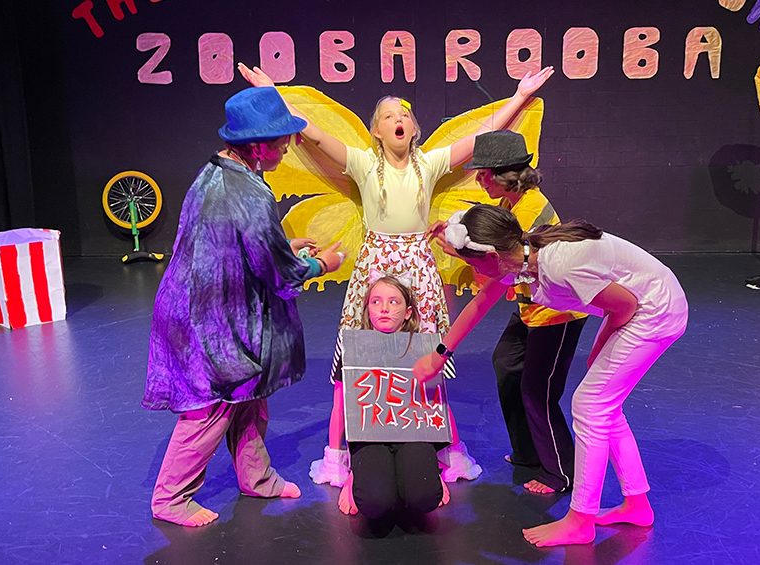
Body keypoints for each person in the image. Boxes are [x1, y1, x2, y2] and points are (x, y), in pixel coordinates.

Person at [238, 62, 555, 484]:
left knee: (425, 356)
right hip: (375, 266)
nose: (398, 119)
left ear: (415, 128)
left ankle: (444, 449)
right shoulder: (363, 164)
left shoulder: (431, 164)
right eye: (388, 116)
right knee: (357, 355)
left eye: (404, 114)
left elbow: (481, 139)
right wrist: (274, 94)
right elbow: (312, 133)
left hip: (418, 266)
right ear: (376, 132)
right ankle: (338, 451)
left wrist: (518, 97)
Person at [414, 204, 688, 546]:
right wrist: (441, 354)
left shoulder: (559, 266)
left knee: (590, 406)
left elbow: (625, 306)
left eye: (472, 263)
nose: (473, 272)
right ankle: (637, 504)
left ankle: (580, 520)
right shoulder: (520, 256)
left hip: (655, 311)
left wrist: (600, 348)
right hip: (641, 306)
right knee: (604, 406)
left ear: (494, 256)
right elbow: (481, 303)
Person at [142, 87, 345, 527]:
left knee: (250, 396)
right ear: (256, 146)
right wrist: (319, 264)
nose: (286, 148)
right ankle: (171, 498)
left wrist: (280, 243)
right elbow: (278, 272)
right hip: (212, 318)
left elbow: (230, 243)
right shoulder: (251, 193)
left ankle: (257, 476)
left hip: (211, 304)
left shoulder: (215, 172)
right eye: (280, 141)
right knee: (212, 407)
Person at [431, 130, 588, 494]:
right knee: (506, 362)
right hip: (530, 305)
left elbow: (505, 268)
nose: (479, 179)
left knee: (538, 390)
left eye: (483, 173)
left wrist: (456, 252)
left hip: (557, 312)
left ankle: (561, 472)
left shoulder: (531, 210)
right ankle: (528, 451)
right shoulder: (512, 203)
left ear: (503, 175)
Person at [336, 273, 450, 523]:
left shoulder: (424, 348)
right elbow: (342, 404)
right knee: (375, 503)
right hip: (370, 436)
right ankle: (360, 473)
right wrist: (340, 459)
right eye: (375, 301)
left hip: (413, 432)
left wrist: (442, 459)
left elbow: (437, 403)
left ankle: (423, 472)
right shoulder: (354, 348)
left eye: (393, 302)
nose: (384, 309)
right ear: (367, 308)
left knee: (424, 497)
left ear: (408, 312)